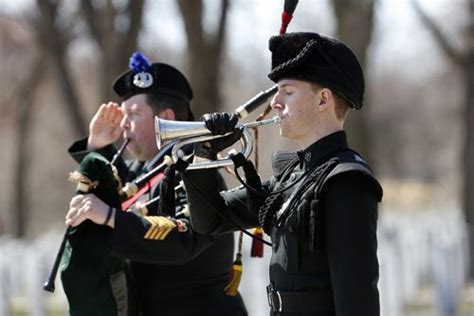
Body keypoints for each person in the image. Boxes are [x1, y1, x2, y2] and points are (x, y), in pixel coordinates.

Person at [179, 32, 384, 315]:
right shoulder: (292, 176)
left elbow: (356, 300)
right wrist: (204, 152)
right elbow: (209, 220)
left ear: (323, 99)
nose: (275, 102)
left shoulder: (346, 181)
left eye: (287, 91)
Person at [64, 52, 248, 316]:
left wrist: (109, 217)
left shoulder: (197, 169)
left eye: (134, 113)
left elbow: (183, 240)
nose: (124, 123)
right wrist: (97, 145)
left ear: (167, 117)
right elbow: (109, 188)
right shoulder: (143, 171)